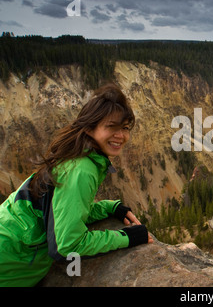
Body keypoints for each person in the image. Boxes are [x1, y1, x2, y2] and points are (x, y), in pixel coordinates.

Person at [0, 83, 153, 287]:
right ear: (90, 128)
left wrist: (108, 208)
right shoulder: (81, 170)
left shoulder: (78, 155)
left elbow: (60, 210)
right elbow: (67, 247)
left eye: (125, 128)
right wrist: (126, 237)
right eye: (111, 127)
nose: (120, 136)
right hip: (9, 265)